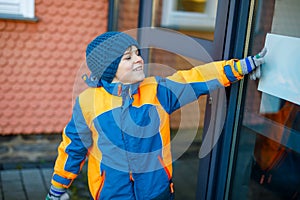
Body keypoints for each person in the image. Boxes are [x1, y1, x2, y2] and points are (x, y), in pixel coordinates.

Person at [46, 31, 266, 200]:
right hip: (110, 194)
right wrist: (57, 188)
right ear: (109, 69)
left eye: (138, 53)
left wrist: (241, 67)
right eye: (128, 57)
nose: (139, 60)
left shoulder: (157, 91)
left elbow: (195, 78)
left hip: (156, 191)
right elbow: (73, 148)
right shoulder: (88, 103)